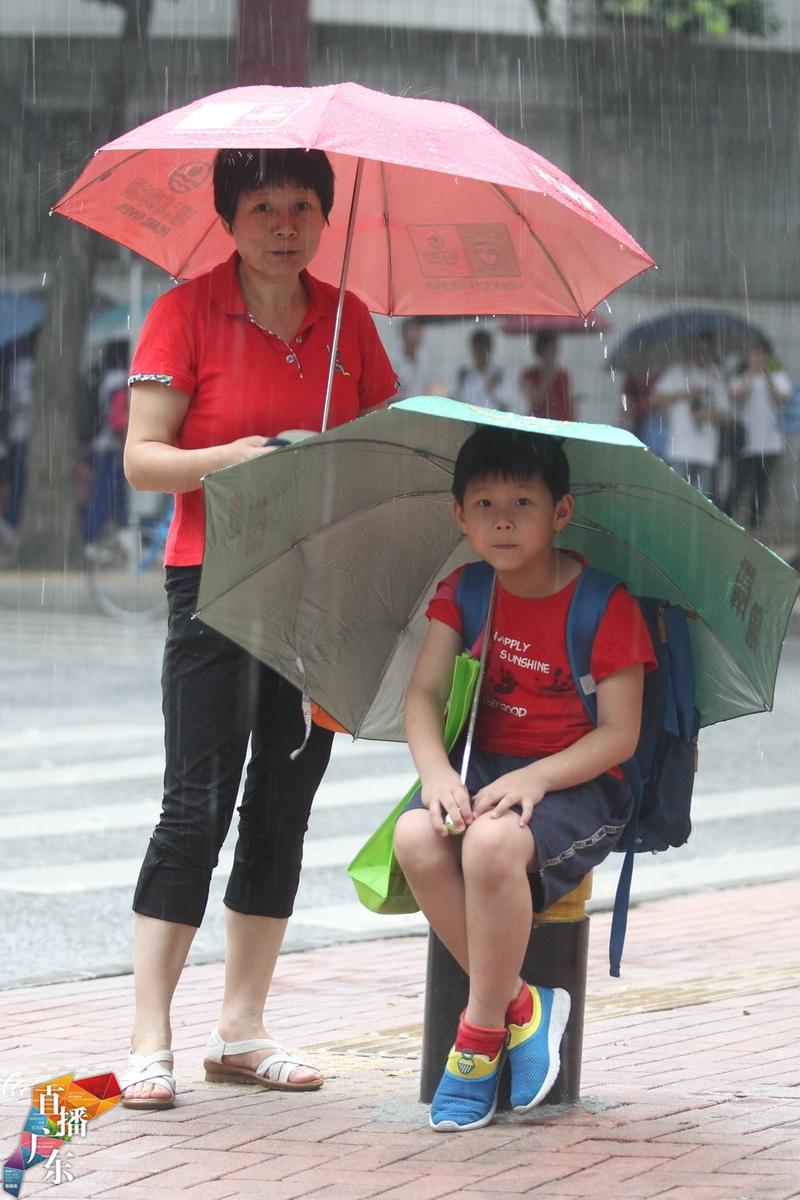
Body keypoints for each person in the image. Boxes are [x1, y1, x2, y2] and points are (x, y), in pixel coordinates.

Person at [120, 147, 397, 1110]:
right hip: (213, 585)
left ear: (325, 219)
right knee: (193, 806)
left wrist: (342, 465)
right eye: (265, 206)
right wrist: (241, 456)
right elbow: (144, 461)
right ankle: (148, 1034)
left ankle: (241, 1027)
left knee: (282, 809)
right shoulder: (186, 312)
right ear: (231, 221)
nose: (286, 223)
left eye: (304, 207)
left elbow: (387, 447)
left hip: (315, 596)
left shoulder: (348, 321)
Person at [394, 427, 654, 1132]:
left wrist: (539, 777)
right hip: (485, 775)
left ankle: (476, 1043)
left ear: (560, 511)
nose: (502, 520)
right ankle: (522, 1005)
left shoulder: (606, 603)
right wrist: (437, 774)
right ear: (460, 516)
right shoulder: (467, 590)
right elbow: (421, 699)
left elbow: (619, 735)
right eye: (482, 503)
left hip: (580, 784)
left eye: (522, 502)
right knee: (416, 838)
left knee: (488, 849)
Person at [650, 332, 731, 500]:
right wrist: (687, 393)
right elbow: (655, 399)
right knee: (676, 498)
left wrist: (707, 416)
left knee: (702, 500)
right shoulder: (677, 372)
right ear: (692, 348)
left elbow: (726, 413)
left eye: (706, 348)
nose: (702, 352)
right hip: (680, 447)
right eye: (699, 347)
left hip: (706, 450)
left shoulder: (716, 375)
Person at [727, 340, 790, 530]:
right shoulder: (740, 377)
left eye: (760, 354)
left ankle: (754, 526)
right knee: (738, 484)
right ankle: (727, 520)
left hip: (770, 443)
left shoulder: (778, 376)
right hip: (746, 443)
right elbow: (736, 396)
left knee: (761, 487)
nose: (757, 358)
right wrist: (751, 375)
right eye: (753, 354)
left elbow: (781, 398)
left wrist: (767, 375)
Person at [82, 340, 131, 553]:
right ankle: (93, 538)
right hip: (114, 445)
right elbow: (118, 419)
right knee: (109, 494)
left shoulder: (105, 378)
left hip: (104, 443)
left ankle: (97, 538)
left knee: (105, 493)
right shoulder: (119, 381)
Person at [452, 329, 516, 411]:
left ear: (490, 349)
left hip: (493, 421)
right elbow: (453, 400)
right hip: (469, 421)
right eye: (477, 349)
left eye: (483, 349)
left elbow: (511, 404)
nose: (480, 353)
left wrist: (494, 391)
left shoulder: (501, 375)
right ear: (472, 349)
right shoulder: (462, 375)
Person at [519, 332, 572, 421]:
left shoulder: (563, 375)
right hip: (538, 422)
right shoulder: (528, 374)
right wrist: (547, 377)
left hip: (561, 423)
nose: (552, 354)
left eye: (554, 349)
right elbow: (534, 399)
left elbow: (569, 403)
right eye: (549, 349)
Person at [395, 317, 433, 401]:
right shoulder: (393, 359)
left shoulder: (424, 358)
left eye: (418, 330)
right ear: (403, 333)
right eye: (412, 330)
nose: (416, 334)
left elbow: (427, 386)